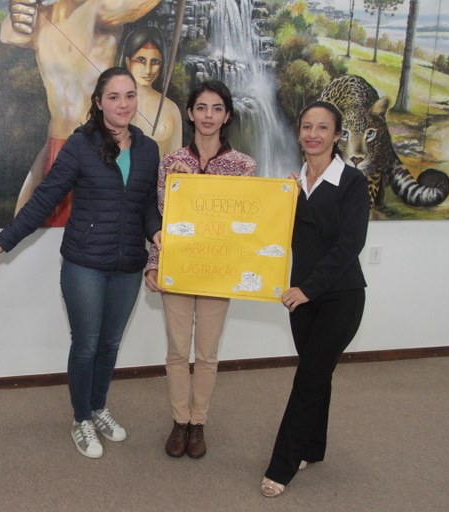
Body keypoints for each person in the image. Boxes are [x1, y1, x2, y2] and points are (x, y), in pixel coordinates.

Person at [0, 68, 163, 459]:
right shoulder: (81, 145)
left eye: (129, 96)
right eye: (114, 97)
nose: (123, 104)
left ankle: (98, 408)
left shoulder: (149, 149)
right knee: (86, 345)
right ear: (99, 102)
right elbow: (45, 197)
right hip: (85, 264)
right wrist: (3, 241)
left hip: (128, 264)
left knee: (110, 343)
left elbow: (147, 203)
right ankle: (81, 418)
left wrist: (156, 232)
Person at [260, 100, 370, 497]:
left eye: (323, 127)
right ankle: (313, 448)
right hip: (301, 299)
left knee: (307, 379)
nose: (313, 134)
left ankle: (282, 466)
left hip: (340, 297)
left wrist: (308, 288)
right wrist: (284, 201)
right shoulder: (293, 185)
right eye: (307, 126)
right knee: (317, 372)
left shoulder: (352, 182)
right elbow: (274, 238)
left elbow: (349, 244)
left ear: (337, 135)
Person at [144, 81, 256, 459]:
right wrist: (154, 265)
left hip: (218, 272)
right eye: (202, 108)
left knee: (207, 353)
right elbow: (164, 219)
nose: (209, 115)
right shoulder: (170, 162)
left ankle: (198, 423)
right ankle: (179, 420)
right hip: (178, 267)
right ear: (190, 113)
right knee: (178, 350)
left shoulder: (243, 166)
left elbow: (245, 225)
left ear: (227, 115)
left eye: (217, 108)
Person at [1, 0, 160, 223]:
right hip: (56, 143)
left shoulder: (99, 8)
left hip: (96, 148)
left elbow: (133, 6)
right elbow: (9, 33)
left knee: (100, 227)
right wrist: (18, 7)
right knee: (28, 221)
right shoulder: (43, 17)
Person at [118, 25, 183, 159]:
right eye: (141, 60)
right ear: (127, 61)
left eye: (154, 61)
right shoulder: (109, 103)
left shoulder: (171, 109)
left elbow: (175, 163)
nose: (148, 70)